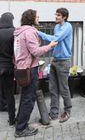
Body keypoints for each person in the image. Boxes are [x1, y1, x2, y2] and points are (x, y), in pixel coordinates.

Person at [14, 9, 56, 137]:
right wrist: (50, 45)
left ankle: (19, 122)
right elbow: (36, 51)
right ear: (31, 18)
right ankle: (21, 129)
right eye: (37, 17)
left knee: (24, 97)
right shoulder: (30, 32)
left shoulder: (19, 32)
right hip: (29, 69)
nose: (39, 19)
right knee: (29, 99)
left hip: (21, 68)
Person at [38, 8, 73, 122]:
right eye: (56, 14)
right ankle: (54, 113)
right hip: (54, 60)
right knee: (53, 88)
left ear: (64, 17)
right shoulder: (57, 27)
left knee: (63, 89)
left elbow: (55, 39)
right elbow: (54, 43)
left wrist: (37, 32)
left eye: (58, 15)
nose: (56, 17)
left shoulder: (67, 27)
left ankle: (67, 111)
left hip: (63, 61)